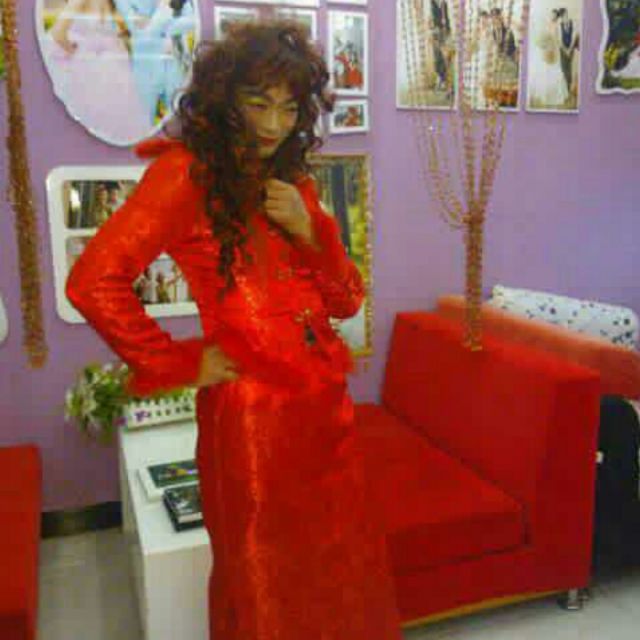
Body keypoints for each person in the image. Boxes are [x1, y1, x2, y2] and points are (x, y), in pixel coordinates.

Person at [66, 19, 402, 640]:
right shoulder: (185, 175)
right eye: (258, 103)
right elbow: (92, 281)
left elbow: (346, 300)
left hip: (325, 410)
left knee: (337, 566)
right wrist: (179, 362)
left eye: (289, 108)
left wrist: (312, 230)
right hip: (253, 421)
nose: (274, 125)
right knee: (262, 576)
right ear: (225, 99)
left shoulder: (292, 182)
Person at [43, 0, 150, 144]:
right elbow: (58, 33)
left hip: (104, 65)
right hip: (101, 65)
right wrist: (72, 48)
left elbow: (58, 33)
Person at [528, 8, 569, 108]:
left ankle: (554, 96)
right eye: (551, 14)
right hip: (546, 50)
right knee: (545, 71)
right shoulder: (546, 25)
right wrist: (543, 46)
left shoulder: (557, 26)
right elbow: (542, 38)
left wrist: (557, 49)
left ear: (556, 17)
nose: (552, 16)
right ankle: (546, 94)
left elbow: (557, 40)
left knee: (554, 71)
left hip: (554, 50)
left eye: (554, 15)